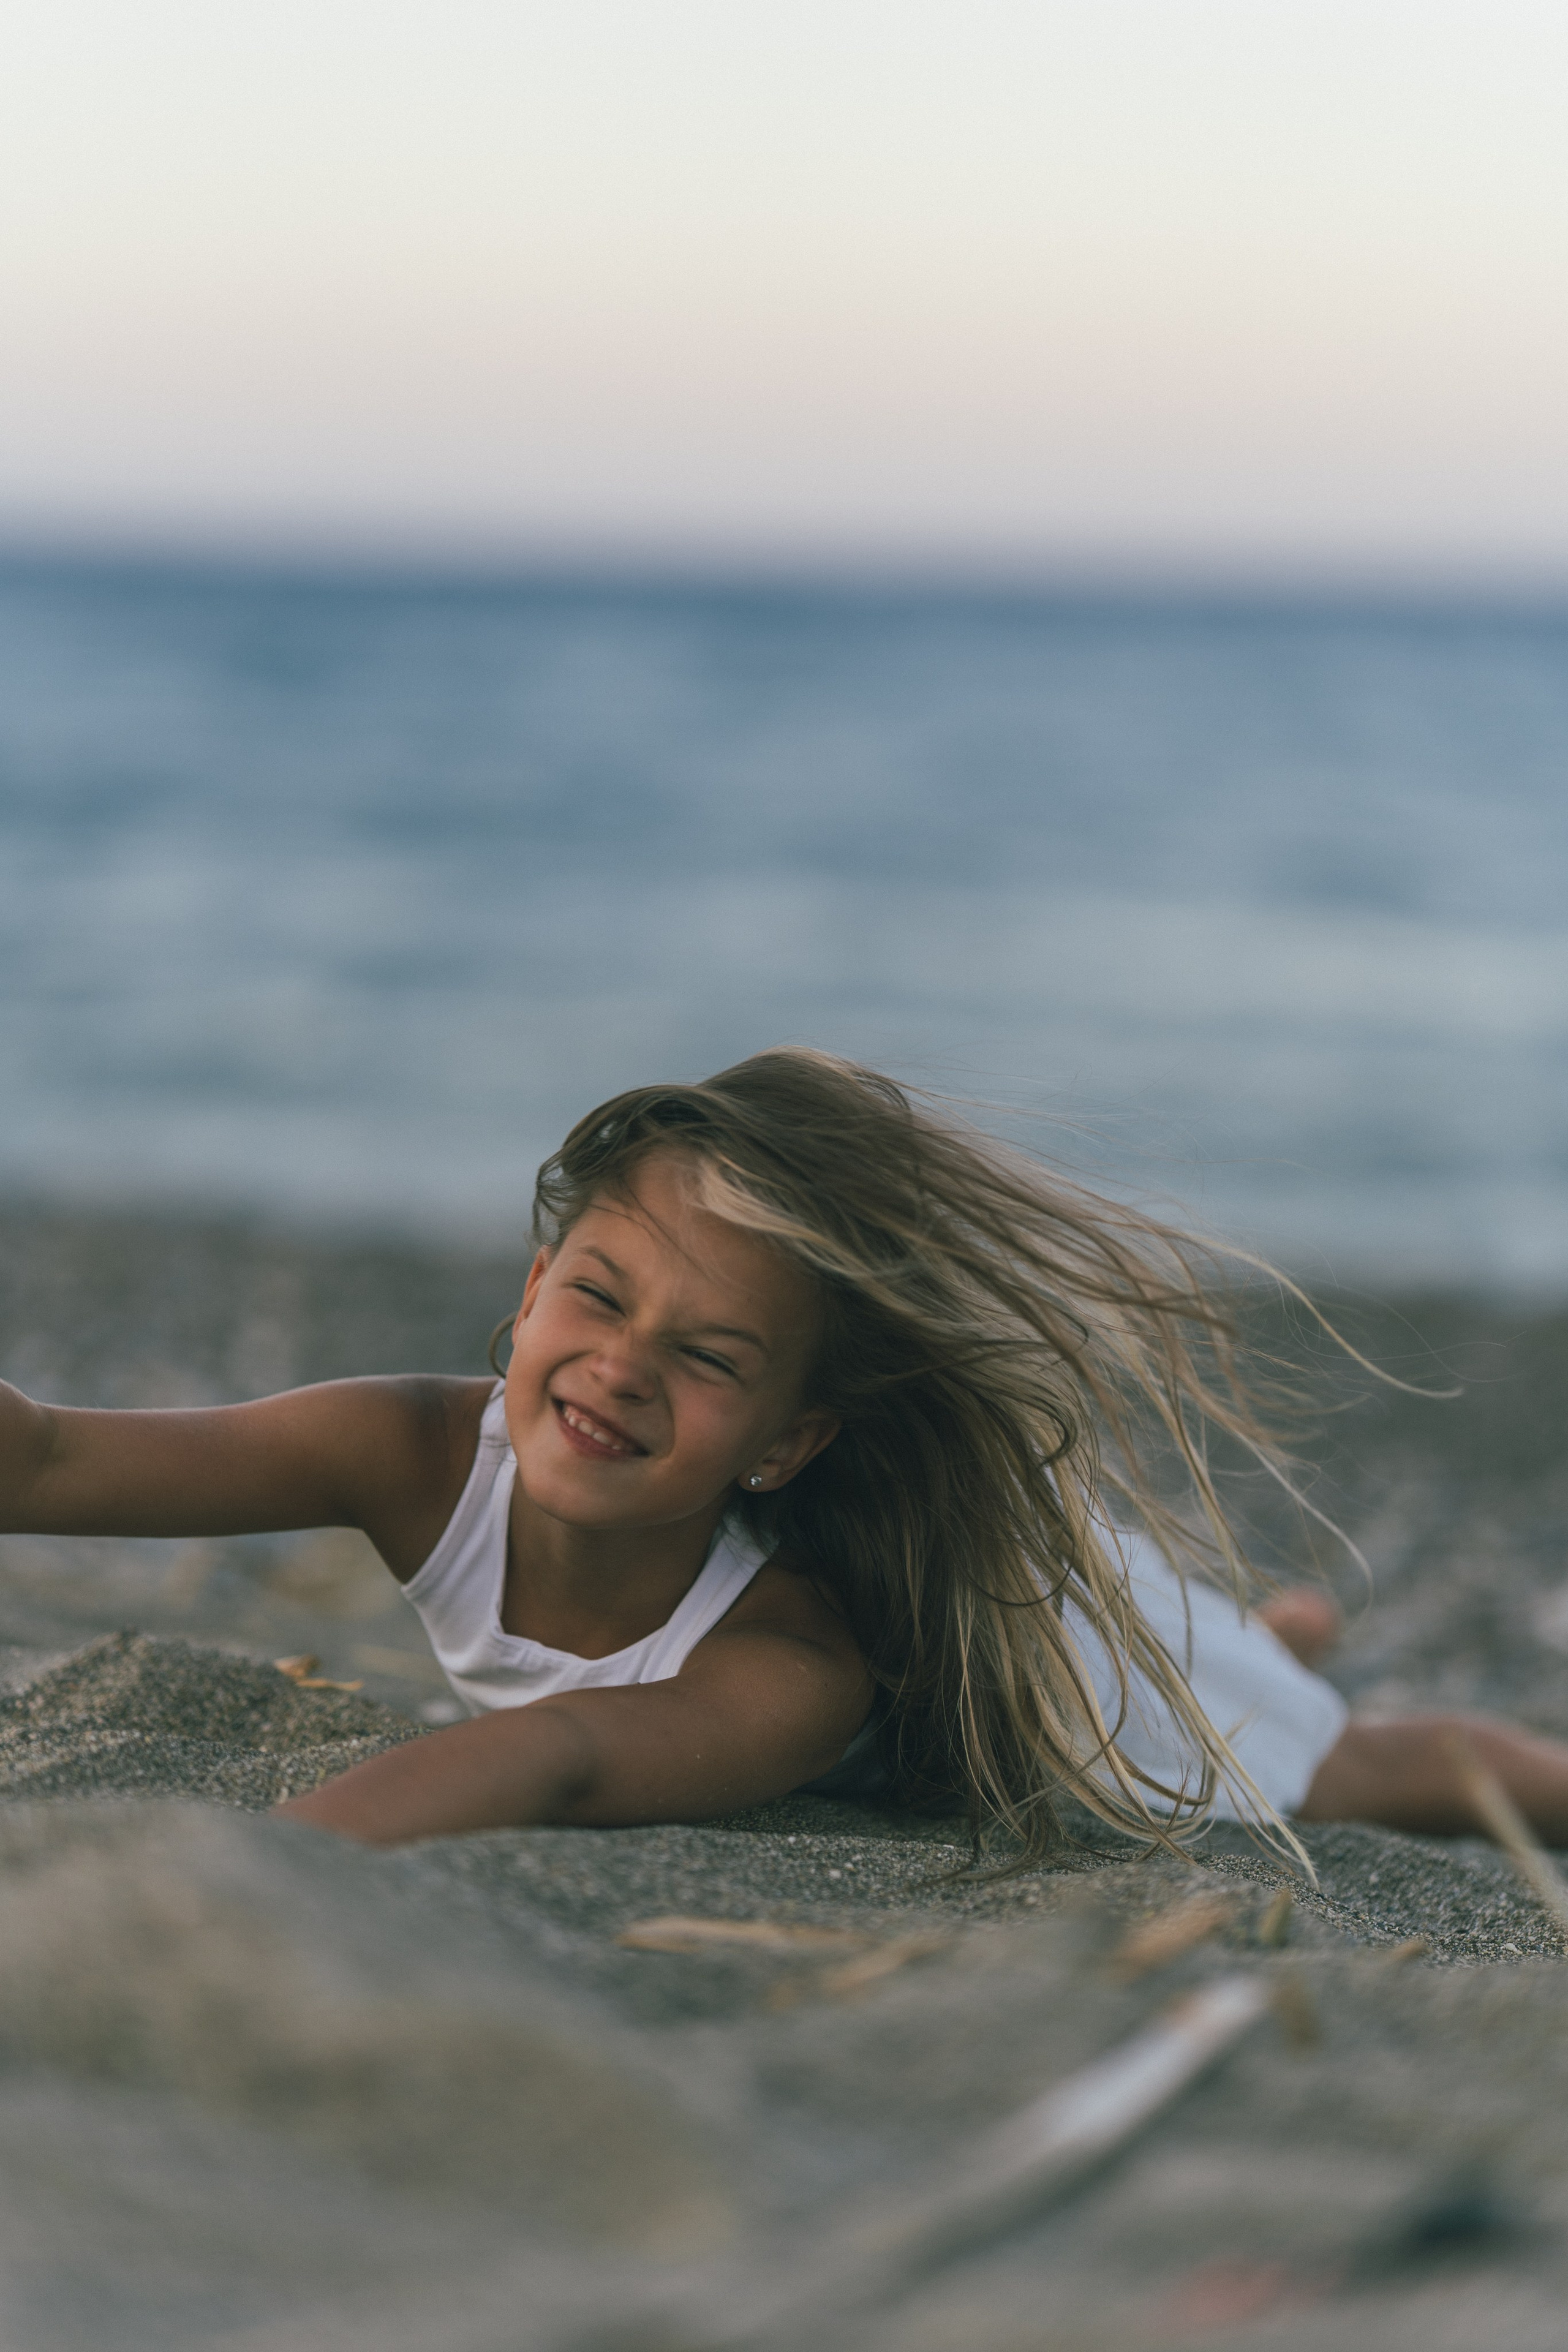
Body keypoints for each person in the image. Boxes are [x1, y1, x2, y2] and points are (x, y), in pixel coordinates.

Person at [3, 1048, 1567, 1855]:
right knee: (1224, 1639)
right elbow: (51, 1466)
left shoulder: (795, 1657)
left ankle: (1352, 1685)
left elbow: (562, 1757)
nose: (618, 1369)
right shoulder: (404, 1446)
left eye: (706, 1358)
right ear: (531, 1289)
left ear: (783, 1442)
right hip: (1080, 1608)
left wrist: (280, 1857)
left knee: (1327, 1762)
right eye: (599, 1297)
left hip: (1055, 1679)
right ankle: (1267, 1630)